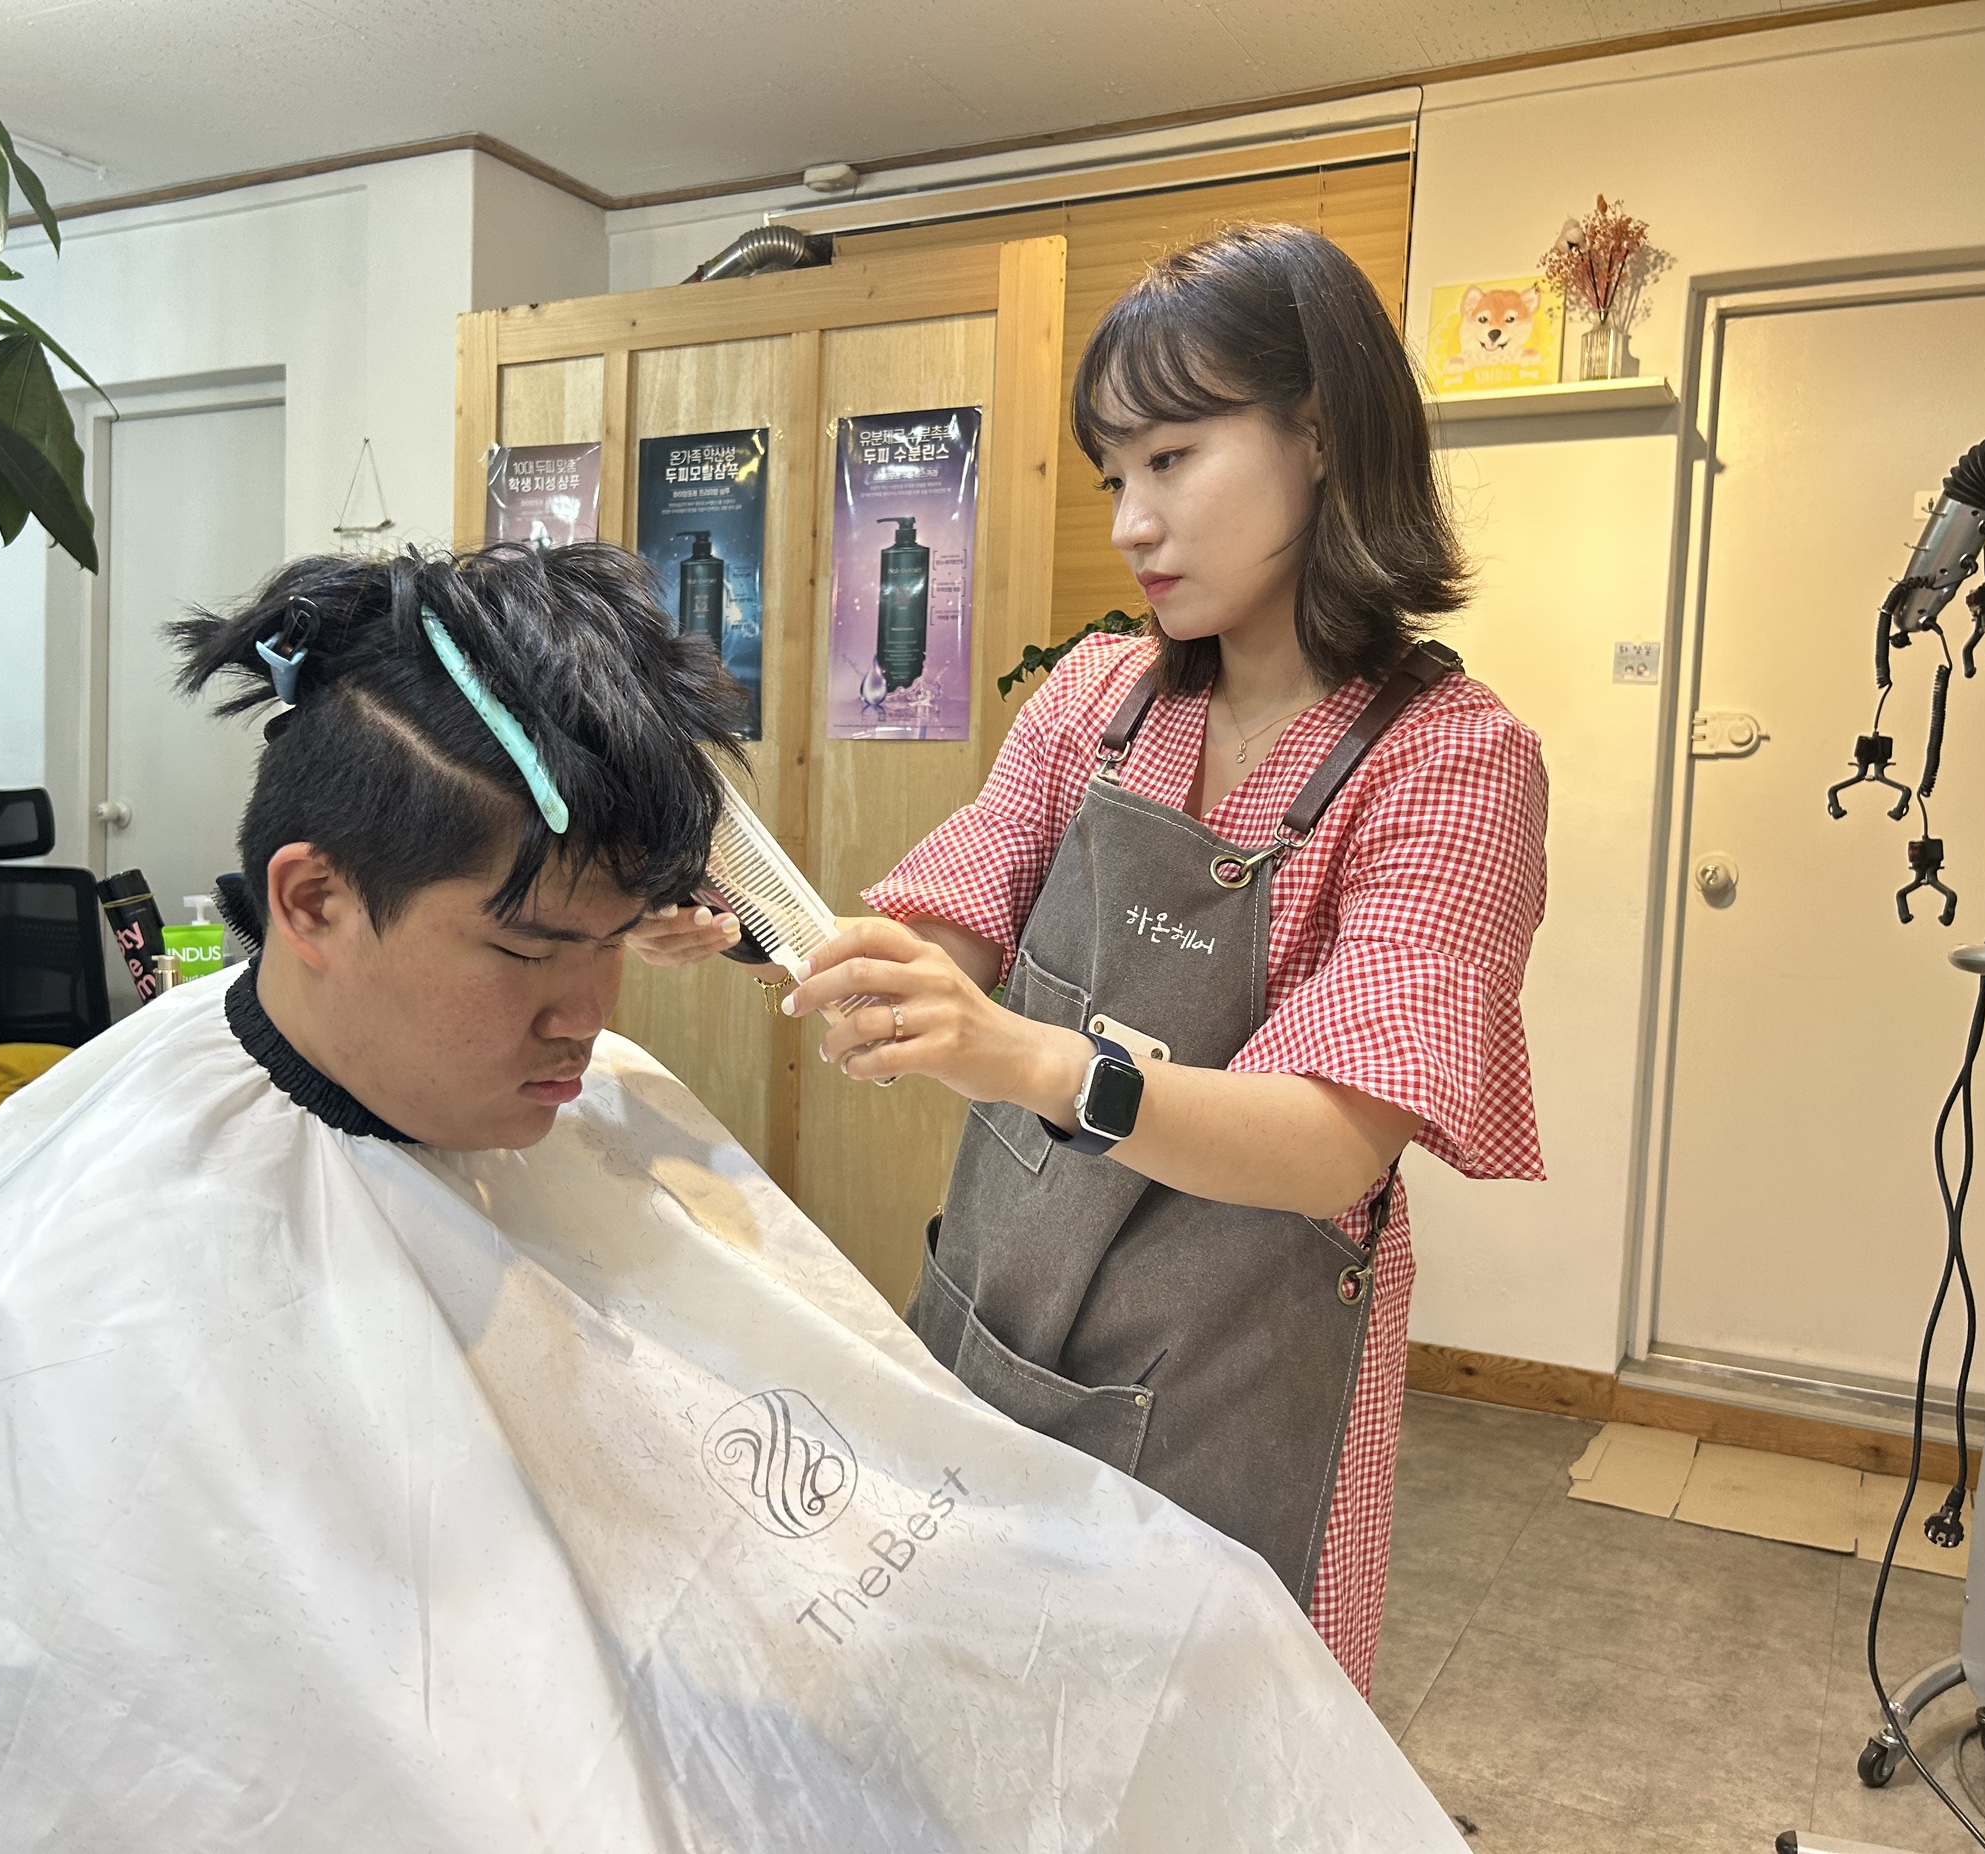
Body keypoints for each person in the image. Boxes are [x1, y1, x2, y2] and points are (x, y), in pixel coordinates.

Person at [0, 543, 1466, 1850]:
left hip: (1219, 1337)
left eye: (614, 943)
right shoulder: (65, 1289)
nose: (586, 1022)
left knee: (1189, 1625)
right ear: (311, 899)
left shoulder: (587, 1110)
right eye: (529, 954)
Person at [642, 224, 1550, 1699]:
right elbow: (947, 930)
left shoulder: (1450, 763)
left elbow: (1332, 1143)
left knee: (1190, 1744)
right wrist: (764, 931)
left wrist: (1024, 1057)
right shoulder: (1102, 701)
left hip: (1234, 1386)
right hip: (999, 1324)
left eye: (1173, 458)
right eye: (1114, 474)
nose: (1132, 521)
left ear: (1323, 433)